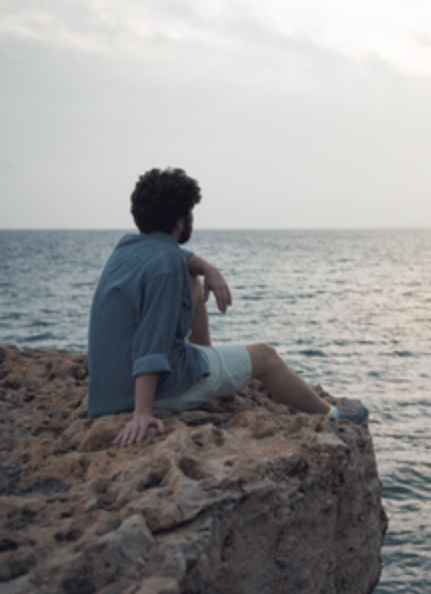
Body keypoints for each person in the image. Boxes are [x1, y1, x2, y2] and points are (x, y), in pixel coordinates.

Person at [88, 167, 368, 446]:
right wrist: (142, 414)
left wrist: (207, 268)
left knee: (192, 277)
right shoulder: (166, 268)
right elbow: (151, 346)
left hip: (109, 387)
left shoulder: (127, 247)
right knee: (266, 356)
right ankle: (333, 415)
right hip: (146, 391)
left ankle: (209, 368)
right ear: (180, 219)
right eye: (190, 212)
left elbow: (179, 258)